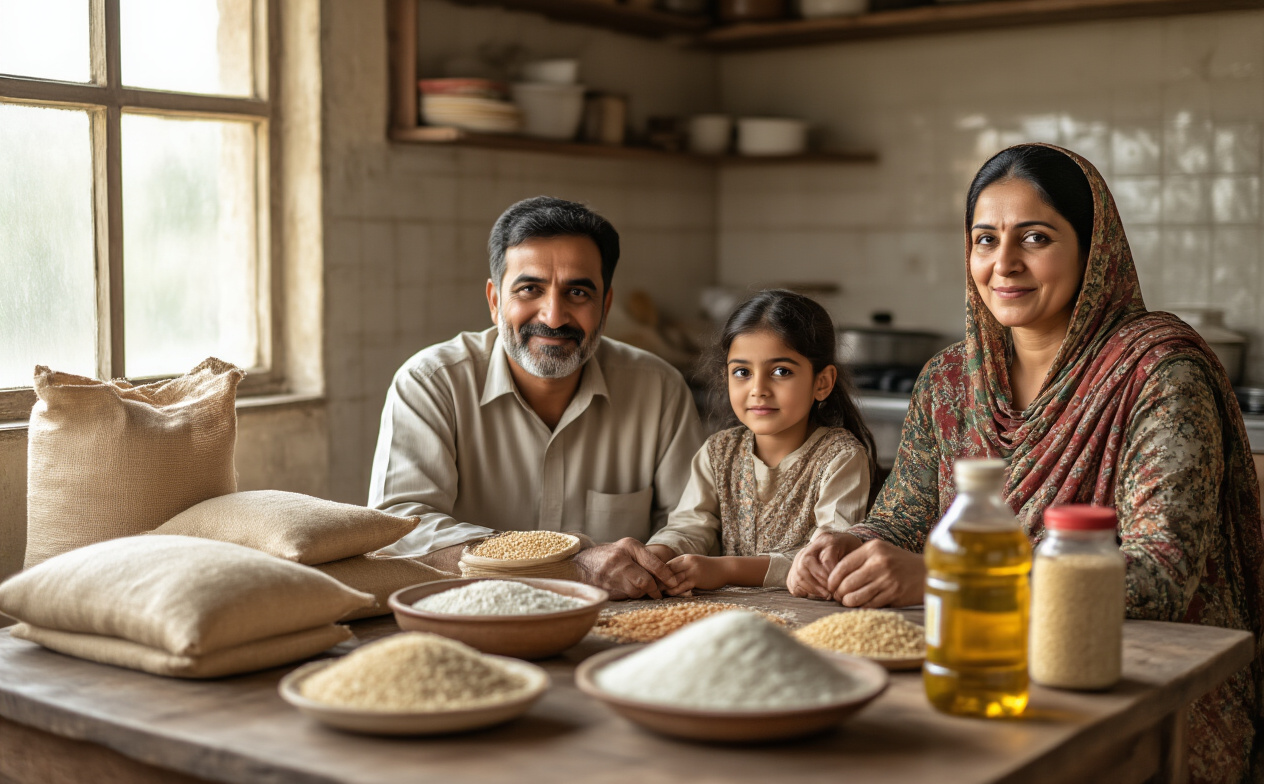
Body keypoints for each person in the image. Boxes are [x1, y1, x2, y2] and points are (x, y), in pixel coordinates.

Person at [788, 143, 1264, 783]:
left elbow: (1162, 578)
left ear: (1093, 250)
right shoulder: (950, 379)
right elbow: (900, 525)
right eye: (985, 240)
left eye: (1034, 238)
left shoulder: (1158, 373)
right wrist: (848, 549)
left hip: (1137, 689)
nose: (1003, 264)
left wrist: (939, 580)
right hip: (977, 665)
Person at [368, 196, 705, 600]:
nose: (554, 316)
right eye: (530, 289)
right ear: (495, 301)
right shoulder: (430, 383)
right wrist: (572, 563)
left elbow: (693, 520)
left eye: (578, 292)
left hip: (621, 619)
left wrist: (650, 562)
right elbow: (402, 528)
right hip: (470, 613)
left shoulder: (659, 388)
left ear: (606, 305)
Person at [643, 290, 876, 594]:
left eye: (781, 371)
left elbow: (827, 556)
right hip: (726, 616)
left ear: (822, 382)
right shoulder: (717, 453)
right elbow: (690, 526)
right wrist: (659, 556)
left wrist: (727, 569)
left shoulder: (841, 458)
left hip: (807, 618)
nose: (758, 389)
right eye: (742, 372)